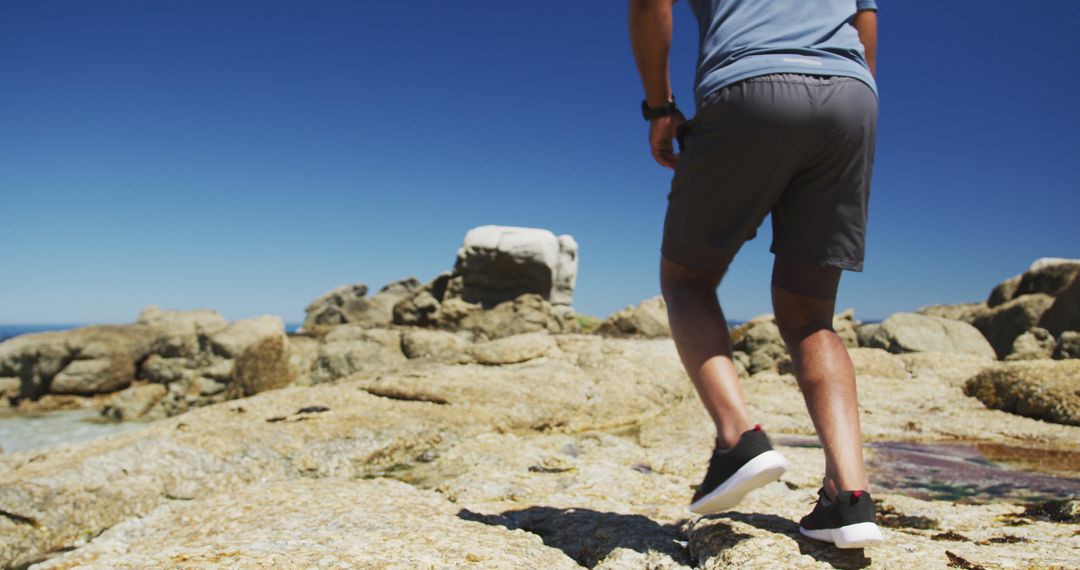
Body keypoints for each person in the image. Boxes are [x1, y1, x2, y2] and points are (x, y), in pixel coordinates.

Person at [628, 0, 882, 549]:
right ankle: (850, 497)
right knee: (812, 315)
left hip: (751, 82)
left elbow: (650, 5)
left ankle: (739, 438)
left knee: (686, 279)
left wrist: (659, 108)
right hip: (851, 98)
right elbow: (866, 23)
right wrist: (852, 100)